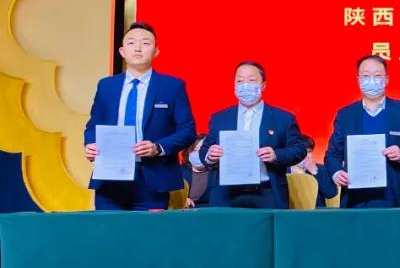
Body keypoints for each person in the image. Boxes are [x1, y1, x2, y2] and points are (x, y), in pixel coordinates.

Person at [83, 22, 196, 211]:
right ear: (122, 51)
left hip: (152, 177)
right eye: (131, 43)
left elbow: (187, 130)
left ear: (156, 51)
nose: (137, 48)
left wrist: (158, 148)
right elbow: (93, 125)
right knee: (107, 229)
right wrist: (90, 144)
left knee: (148, 230)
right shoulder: (107, 86)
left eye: (145, 43)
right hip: (110, 175)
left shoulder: (172, 86)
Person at [325, 55, 400, 208]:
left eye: (377, 75)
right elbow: (332, 154)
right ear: (358, 80)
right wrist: (336, 172)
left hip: (394, 196)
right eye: (366, 76)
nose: (371, 80)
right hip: (356, 198)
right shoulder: (345, 115)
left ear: (386, 79)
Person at [201, 61, 307, 209]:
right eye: (240, 81)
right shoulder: (220, 118)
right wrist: (210, 155)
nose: (245, 85)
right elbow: (204, 151)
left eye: (251, 80)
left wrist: (276, 155)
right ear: (234, 85)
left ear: (263, 85)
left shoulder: (283, 118)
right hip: (226, 194)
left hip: (267, 192)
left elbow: (299, 149)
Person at [291, 134, 338, 208]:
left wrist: (314, 172)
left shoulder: (321, 169)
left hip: (316, 212)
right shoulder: (283, 171)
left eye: (309, 152)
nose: (306, 155)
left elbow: (331, 193)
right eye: (302, 152)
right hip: (290, 211)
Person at [182, 134, 210, 208]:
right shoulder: (179, 173)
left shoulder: (216, 174)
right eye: (195, 150)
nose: (198, 153)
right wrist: (182, 200)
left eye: (202, 150)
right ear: (188, 152)